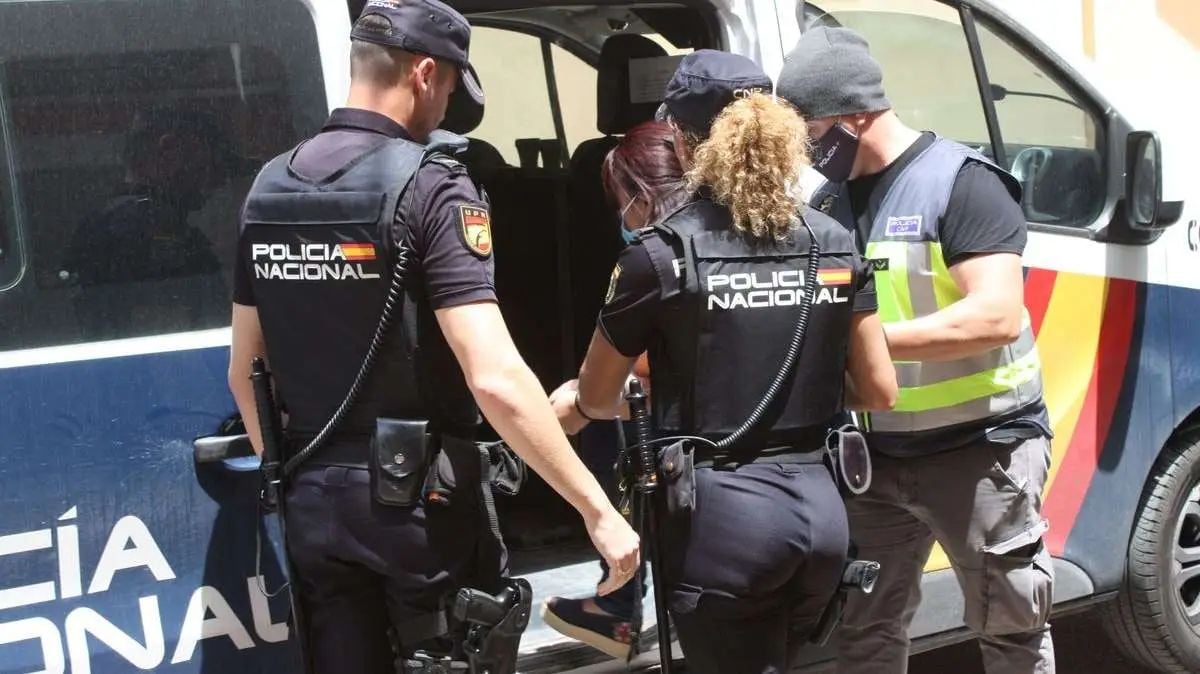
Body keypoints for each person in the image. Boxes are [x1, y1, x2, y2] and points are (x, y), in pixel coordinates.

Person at [226, 2, 639, 672]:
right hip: (419, 511)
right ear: (423, 74)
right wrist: (596, 510)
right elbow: (494, 376)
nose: (446, 106)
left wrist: (294, 475)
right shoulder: (435, 184)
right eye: (449, 87)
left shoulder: (268, 188)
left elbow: (245, 371)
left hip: (312, 508)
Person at [548, 50, 897, 674]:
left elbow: (599, 400)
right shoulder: (835, 241)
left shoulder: (659, 256)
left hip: (724, 526)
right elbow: (877, 388)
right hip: (823, 516)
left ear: (682, 143)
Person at [777, 26, 1056, 674]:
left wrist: (867, 342)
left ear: (853, 115)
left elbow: (996, 313)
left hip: (979, 451)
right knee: (866, 631)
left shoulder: (961, 183)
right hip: (874, 460)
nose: (805, 147)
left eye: (810, 129)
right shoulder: (828, 201)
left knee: (1010, 624)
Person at [542, 120, 691, 659]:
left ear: (642, 194)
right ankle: (622, 601)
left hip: (691, 445)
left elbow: (629, 365)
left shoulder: (652, 257)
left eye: (622, 200)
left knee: (613, 421)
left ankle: (620, 600)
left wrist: (584, 401)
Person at [65, 106, 228, 339]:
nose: (214, 181)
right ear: (168, 151)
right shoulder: (133, 229)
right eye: (206, 165)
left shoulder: (102, 223)